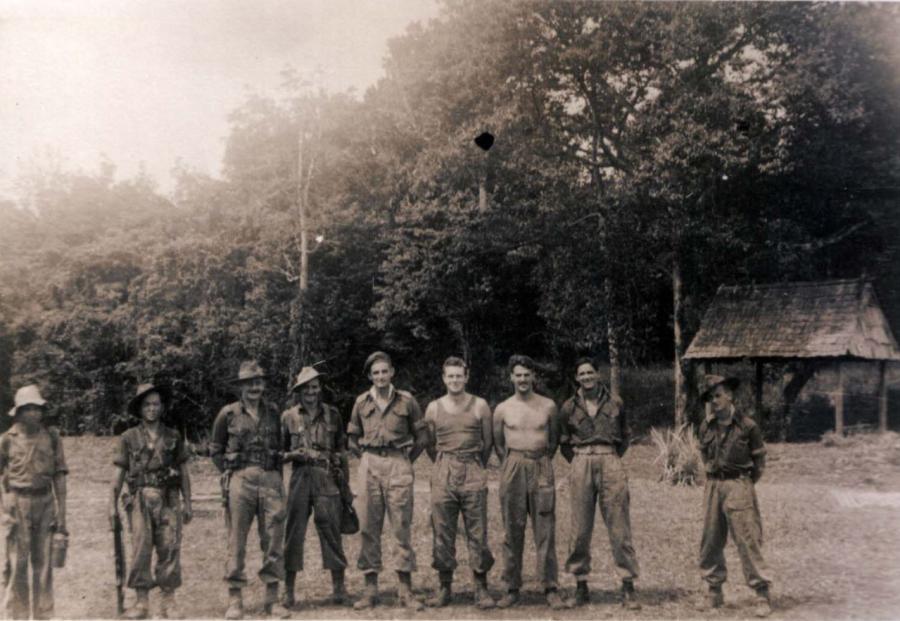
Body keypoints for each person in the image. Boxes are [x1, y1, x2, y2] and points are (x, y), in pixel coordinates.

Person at [346, 351, 429, 611]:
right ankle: (371, 590)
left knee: (400, 527)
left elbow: (422, 437)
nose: (381, 377)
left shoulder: (407, 400)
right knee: (369, 527)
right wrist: (368, 459)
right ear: (370, 376)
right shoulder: (361, 402)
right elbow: (352, 438)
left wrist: (404, 461)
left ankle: (405, 590)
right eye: (376, 373)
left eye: (385, 371)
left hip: (398, 462)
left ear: (392, 372)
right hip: (369, 462)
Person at [209, 361, 289, 620]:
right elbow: (215, 450)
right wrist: (232, 473)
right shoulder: (228, 414)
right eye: (249, 383)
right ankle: (235, 598)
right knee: (237, 540)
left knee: (274, 538)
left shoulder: (275, 412)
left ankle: (272, 599)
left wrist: (276, 478)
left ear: (263, 384)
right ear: (241, 387)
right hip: (240, 481)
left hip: (270, 478)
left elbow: (282, 447)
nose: (255, 387)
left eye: (258, 382)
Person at [559, 358, 640, 609]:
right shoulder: (568, 407)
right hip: (581, 459)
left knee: (619, 526)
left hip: (610, 459)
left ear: (598, 374)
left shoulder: (615, 402)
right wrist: (580, 461)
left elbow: (625, 437)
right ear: (576, 378)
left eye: (590, 372)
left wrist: (610, 458)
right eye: (581, 373)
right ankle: (581, 585)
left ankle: (628, 586)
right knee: (580, 528)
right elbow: (564, 442)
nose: (586, 377)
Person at [109, 383, 192, 619]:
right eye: (147, 404)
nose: (152, 409)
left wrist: (188, 502)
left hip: (168, 498)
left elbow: (184, 471)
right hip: (140, 499)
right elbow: (119, 473)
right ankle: (142, 602)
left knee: (169, 548)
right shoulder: (128, 437)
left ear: (162, 407)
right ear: (139, 408)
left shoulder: (173, 436)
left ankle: (169, 601)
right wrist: (111, 504)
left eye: (156, 404)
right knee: (141, 550)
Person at [492, 355, 568, 610]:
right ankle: (512, 587)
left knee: (544, 528)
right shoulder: (502, 408)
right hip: (513, 465)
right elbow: (499, 444)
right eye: (518, 375)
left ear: (534, 377)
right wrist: (514, 462)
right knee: (512, 529)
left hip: (541, 464)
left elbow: (554, 440)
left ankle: (550, 587)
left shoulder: (548, 406)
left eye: (527, 374)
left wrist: (539, 461)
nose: (523, 379)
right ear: (511, 377)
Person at [696, 375, 772, 618]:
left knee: (747, 539)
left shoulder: (748, 426)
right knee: (710, 540)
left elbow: (759, 462)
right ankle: (714, 591)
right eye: (710, 398)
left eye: (717, 396)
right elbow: (704, 456)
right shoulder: (706, 426)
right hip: (713, 486)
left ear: (729, 396)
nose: (713, 402)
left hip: (739, 483)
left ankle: (761, 593)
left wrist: (744, 484)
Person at [423, 357, 495, 609]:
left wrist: (472, 464)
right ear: (444, 378)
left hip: (473, 467)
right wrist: (446, 463)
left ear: (466, 377)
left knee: (477, 531)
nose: (454, 380)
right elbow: (430, 444)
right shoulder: (433, 407)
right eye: (450, 376)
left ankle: (481, 587)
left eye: (459, 376)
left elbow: (488, 442)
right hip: (443, 468)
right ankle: (444, 586)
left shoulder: (480, 406)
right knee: (442, 531)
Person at [280, 366, 349, 608]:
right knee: (293, 533)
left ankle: (339, 588)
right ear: (298, 391)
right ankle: (288, 591)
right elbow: (279, 453)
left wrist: (345, 488)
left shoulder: (332, 415)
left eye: (315, 387)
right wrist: (293, 454)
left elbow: (341, 450)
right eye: (306, 388)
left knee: (331, 531)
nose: (311, 392)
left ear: (320, 389)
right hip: (300, 476)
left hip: (326, 476)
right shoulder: (288, 416)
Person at [0, 385, 68, 620]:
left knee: (44, 564)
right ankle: (18, 616)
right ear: (18, 412)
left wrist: (62, 515)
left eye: (38, 409)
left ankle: (43, 615)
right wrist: (4, 509)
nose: (34, 414)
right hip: (17, 503)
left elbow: (59, 475)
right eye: (28, 409)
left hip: (45, 502)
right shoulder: (6, 440)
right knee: (17, 563)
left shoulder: (51, 437)